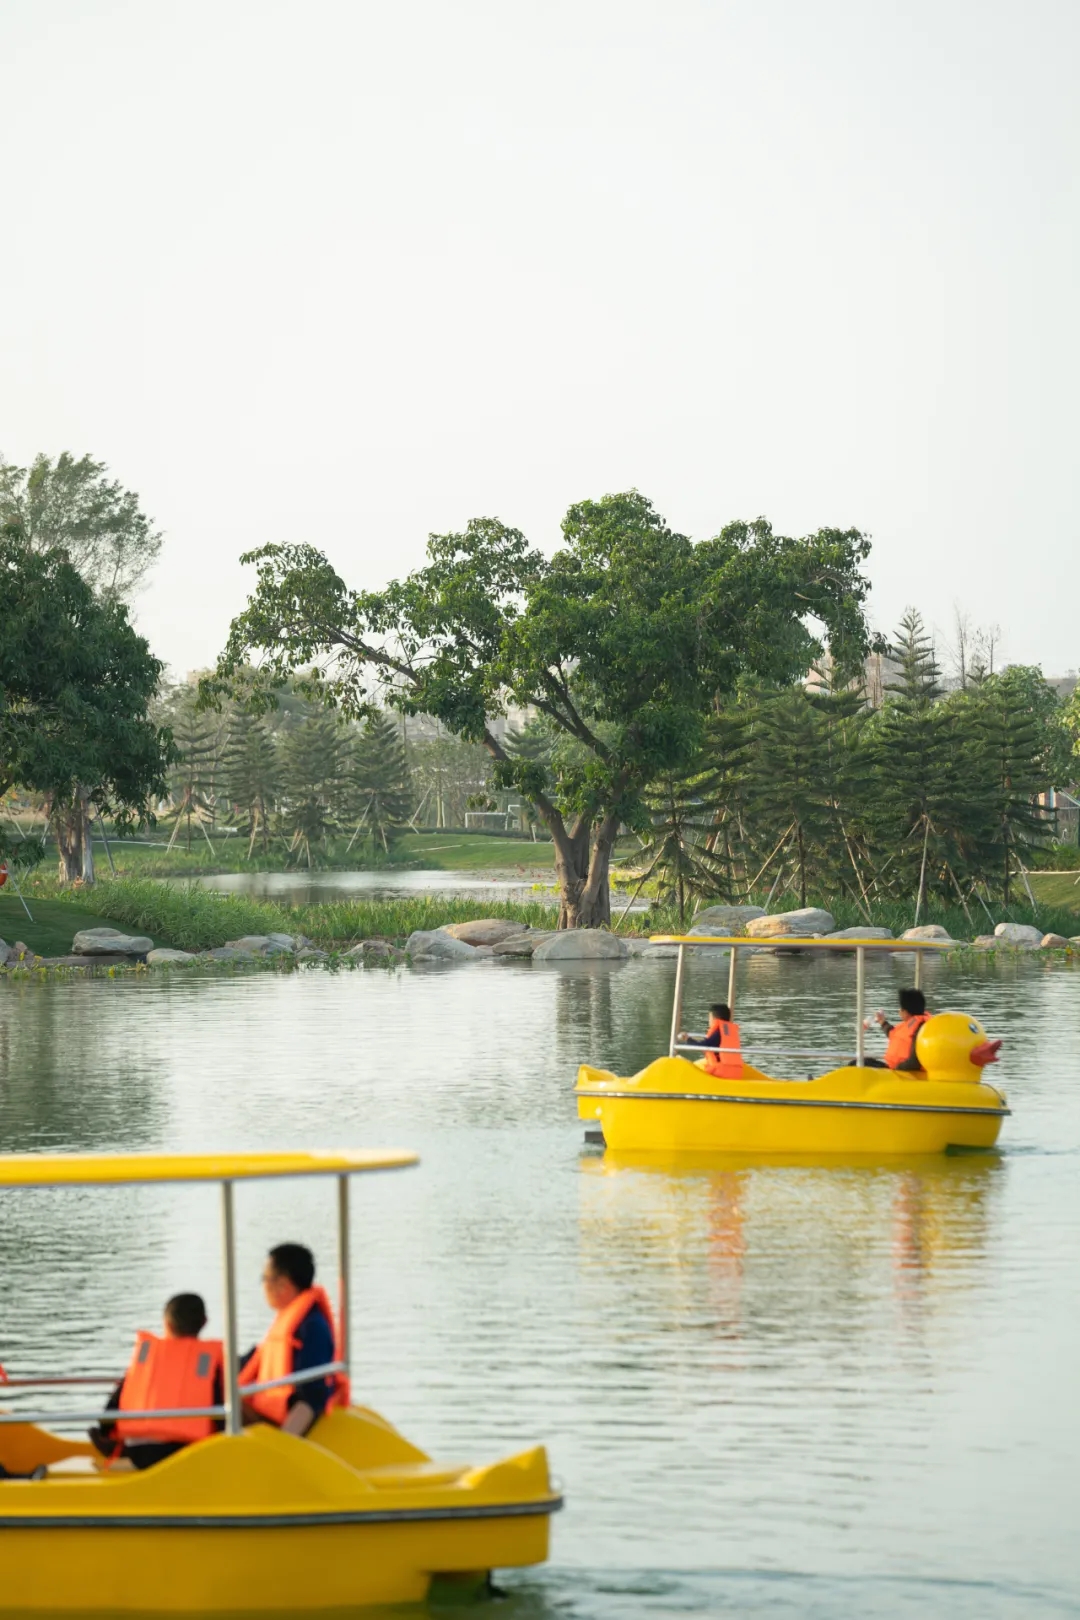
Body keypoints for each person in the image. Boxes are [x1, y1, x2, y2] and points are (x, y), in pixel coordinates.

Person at [90, 1292, 224, 1470]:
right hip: (184, 1454)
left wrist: (104, 1433)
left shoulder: (146, 1361)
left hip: (135, 1449)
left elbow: (111, 1408)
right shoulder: (207, 1364)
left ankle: (125, 1457)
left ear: (166, 1323)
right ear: (204, 1322)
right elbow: (220, 1415)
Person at [239, 1243, 349, 1437]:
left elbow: (312, 1394)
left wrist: (285, 1442)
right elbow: (257, 1359)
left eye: (264, 1279)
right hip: (269, 1408)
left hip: (285, 1420)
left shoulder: (312, 1327)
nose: (263, 1286)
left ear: (283, 1284)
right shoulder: (288, 1320)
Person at [859, 988, 930, 1071]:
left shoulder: (920, 1029)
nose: (899, 1011)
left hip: (900, 1072)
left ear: (906, 1012)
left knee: (858, 1066)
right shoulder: (909, 1024)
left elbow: (915, 1061)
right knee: (860, 1062)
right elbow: (892, 1033)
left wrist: (897, 1069)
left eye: (901, 1009)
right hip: (893, 1068)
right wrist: (882, 1022)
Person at [678, 1003, 743, 1079]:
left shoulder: (718, 1032)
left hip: (721, 1072)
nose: (709, 1020)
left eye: (709, 1017)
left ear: (714, 1019)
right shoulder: (728, 1031)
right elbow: (711, 1042)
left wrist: (688, 1039)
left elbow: (704, 1046)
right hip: (735, 1072)